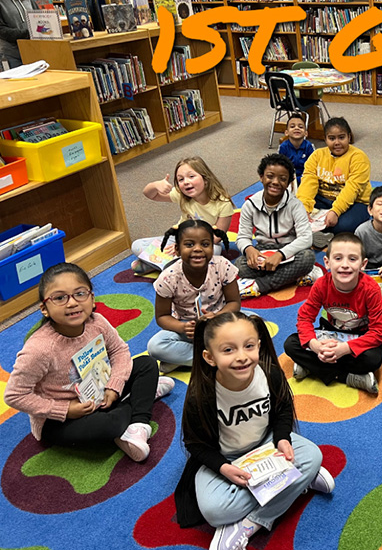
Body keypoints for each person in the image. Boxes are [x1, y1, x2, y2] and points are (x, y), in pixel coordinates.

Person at [174, 312, 334, 550]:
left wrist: (282, 438)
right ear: (209, 357)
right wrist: (223, 468)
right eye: (228, 350)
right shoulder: (202, 393)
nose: (241, 357)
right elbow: (195, 444)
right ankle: (295, 483)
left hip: (266, 443)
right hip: (225, 458)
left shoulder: (268, 373)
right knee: (215, 512)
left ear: (258, 345)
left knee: (313, 455)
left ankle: (250, 524)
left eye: (249, 346)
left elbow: (282, 409)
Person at [4, 263, 174, 462]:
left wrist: (114, 387)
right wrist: (66, 410)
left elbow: (119, 351)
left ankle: (138, 425)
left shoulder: (98, 322)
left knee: (147, 364)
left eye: (80, 293)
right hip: (61, 418)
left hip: (101, 390)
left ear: (92, 299)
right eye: (60, 298)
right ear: (44, 308)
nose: (72, 303)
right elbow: (15, 395)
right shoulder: (39, 350)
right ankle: (139, 400)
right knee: (109, 425)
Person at [283, 233, 382, 395]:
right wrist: (315, 346)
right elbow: (305, 318)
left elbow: (378, 332)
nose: (345, 265)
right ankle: (348, 377)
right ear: (327, 262)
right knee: (291, 344)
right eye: (338, 258)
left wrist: (344, 349)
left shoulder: (371, 289)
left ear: (363, 264)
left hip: (359, 335)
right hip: (332, 332)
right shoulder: (321, 285)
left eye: (352, 259)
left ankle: (312, 368)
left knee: (373, 359)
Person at [148, 220, 241, 371]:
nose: (198, 249)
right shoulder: (167, 278)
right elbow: (162, 317)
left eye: (205, 244)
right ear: (177, 249)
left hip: (221, 322)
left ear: (213, 247)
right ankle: (219, 356)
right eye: (189, 245)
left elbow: (234, 303)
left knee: (255, 325)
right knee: (156, 346)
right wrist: (183, 327)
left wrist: (218, 316)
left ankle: (188, 359)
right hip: (188, 328)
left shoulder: (223, 265)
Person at [131, 157, 233, 274]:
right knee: (137, 245)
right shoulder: (181, 195)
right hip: (178, 238)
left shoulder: (223, 203)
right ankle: (173, 265)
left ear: (205, 179)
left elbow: (217, 237)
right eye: (180, 179)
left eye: (191, 176)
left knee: (213, 253)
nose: (186, 182)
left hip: (205, 242)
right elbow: (150, 195)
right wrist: (155, 185)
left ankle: (159, 263)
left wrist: (185, 247)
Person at [235, 153, 315, 299]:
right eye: (270, 176)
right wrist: (249, 249)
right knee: (240, 265)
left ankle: (259, 285)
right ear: (261, 177)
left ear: (289, 182)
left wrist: (281, 255)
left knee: (307, 258)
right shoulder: (250, 205)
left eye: (282, 179)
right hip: (263, 250)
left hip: (289, 250)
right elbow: (242, 237)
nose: (275, 182)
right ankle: (295, 275)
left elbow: (306, 238)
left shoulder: (295, 205)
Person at [295, 117, 372, 245]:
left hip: (355, 202)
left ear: (349, 137)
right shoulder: (317, 155)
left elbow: (352, 189)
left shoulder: (359, 158)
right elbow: (309, 182)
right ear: (325, 139)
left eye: (341, 137)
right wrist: (304, 208)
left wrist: (336, 211)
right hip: (324, 199)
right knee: (294, 209)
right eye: (331, 138)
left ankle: (318, 233)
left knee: (343, 226)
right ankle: (320, 232)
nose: (337, 142)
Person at [0, 0, 31, 70]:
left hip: (33, 50)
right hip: (11, 55)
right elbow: (1, 30)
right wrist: (26, 33)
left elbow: (37, 15)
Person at [278, 113, 314, 184]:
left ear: (306, 133)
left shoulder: (309, 146)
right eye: (292, 126)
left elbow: (313, 167)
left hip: (305, 177)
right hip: (289, 178)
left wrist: (301, 179)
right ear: (286, 132)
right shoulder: (283, 147)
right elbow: (280, 166)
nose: (296, 128)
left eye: (300, 127)